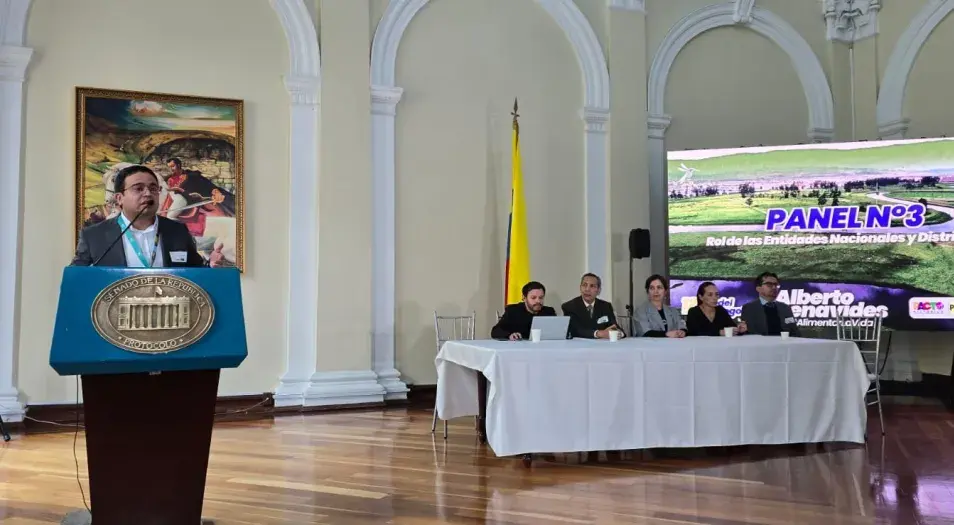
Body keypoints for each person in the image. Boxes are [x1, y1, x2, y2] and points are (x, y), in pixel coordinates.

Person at [72, 165, 207, 268]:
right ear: (119, 198)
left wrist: (213, 262)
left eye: (153, 188)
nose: (148, 193)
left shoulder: (178, 231)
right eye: (138, 189)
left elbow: (198, 273)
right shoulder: (94, 236)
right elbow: (76, 279)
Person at [561, 273, 624, 339]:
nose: (587, 289)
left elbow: (614, 326)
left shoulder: (606, 306)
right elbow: (575, 330)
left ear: (599, 290)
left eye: (592, 286)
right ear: (580, 287)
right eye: (584, 285)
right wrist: (598, 333)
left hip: (602, 344)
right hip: (580, 344)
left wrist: (619, 333)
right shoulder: (569, 306)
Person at [491, 281, 557, 341]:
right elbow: (495, 331)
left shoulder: (549, 312)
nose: (538, 301)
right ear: (524, 298)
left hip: (543, 348)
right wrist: (509, 335)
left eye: (541, 298)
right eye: (533, 298)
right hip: (518, 348)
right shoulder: (513, 311)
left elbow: (557, 332)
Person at [740, 272, 800, 336]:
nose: (774, 287)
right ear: (758, 288)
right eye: (769, 284)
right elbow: (747, 333)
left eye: (776, 285)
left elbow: (794, 331)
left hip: (784, 342)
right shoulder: (749, 308)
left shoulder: (785, 308)